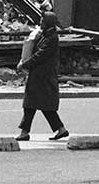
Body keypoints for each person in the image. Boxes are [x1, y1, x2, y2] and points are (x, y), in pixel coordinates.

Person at [15, 11, 69, 141]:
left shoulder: (52, 39)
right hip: (39, 75)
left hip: (44, 76)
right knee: (38, 105)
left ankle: (25, 132)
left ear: (48, 23)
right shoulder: (44, 35)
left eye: (42, 21)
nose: (40, 23)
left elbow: (40, 56)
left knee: (34, 104)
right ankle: (60, 129)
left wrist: (24, 65)